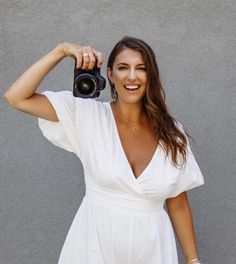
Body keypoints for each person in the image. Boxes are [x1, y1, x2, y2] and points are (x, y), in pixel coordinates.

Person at [4, 36, 204, 264]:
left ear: (151, 75)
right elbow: (16, 97)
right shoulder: (87, 115)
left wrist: (193, 261)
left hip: (152, 252)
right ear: (109, 74)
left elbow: (178, 204)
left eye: (141, 68)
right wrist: (61, 50)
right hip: (91, 250)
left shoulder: (172, 132)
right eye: (122, 68)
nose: (131, 76)